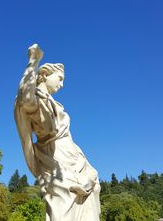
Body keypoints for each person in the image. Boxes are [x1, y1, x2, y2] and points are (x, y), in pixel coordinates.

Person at [14, 44, 101, 221]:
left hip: (77, 161)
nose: (61, 84)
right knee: (63, 213)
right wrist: (33, 62)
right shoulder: (38, 102)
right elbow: (26, 99)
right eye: (59, 79)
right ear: (44, 75)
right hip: (56, 163)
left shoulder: (55, 105)